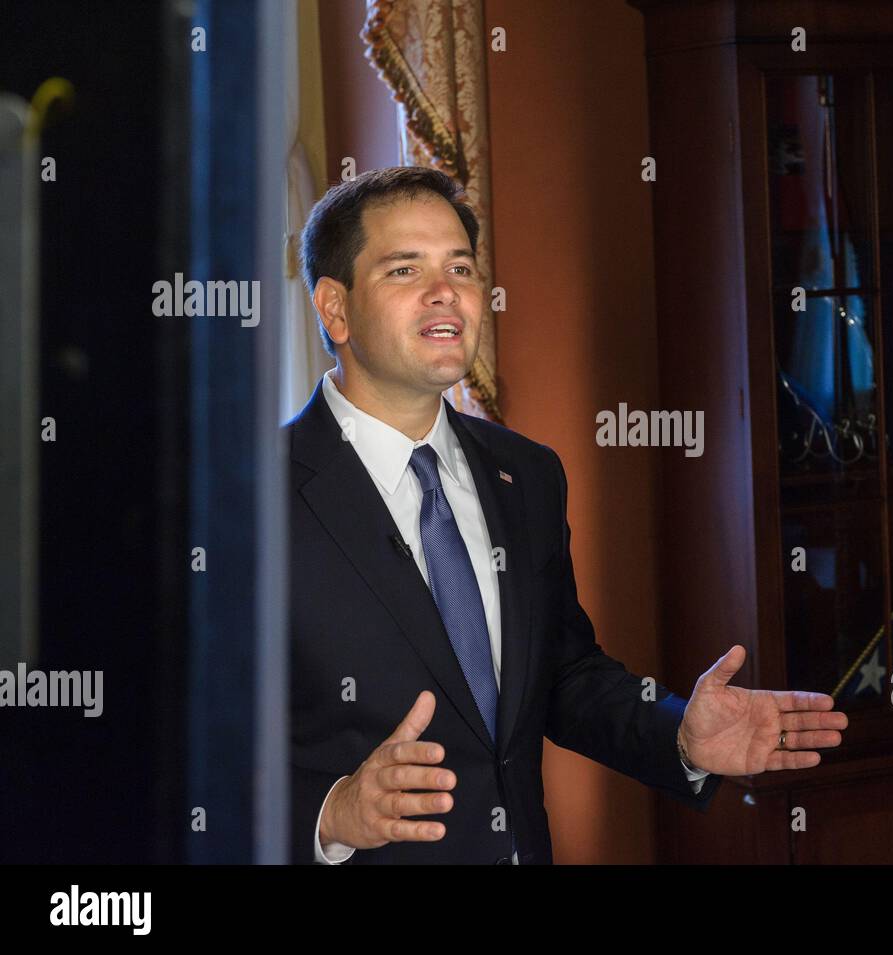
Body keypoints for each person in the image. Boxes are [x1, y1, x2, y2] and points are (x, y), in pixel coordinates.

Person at [288, 165, 848, 863]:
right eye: (405, 269)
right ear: (334, 309)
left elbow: (562, 676)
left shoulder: (526, 474)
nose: (446, 292)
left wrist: (678, 735)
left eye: (460, 267)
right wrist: (331, 812)